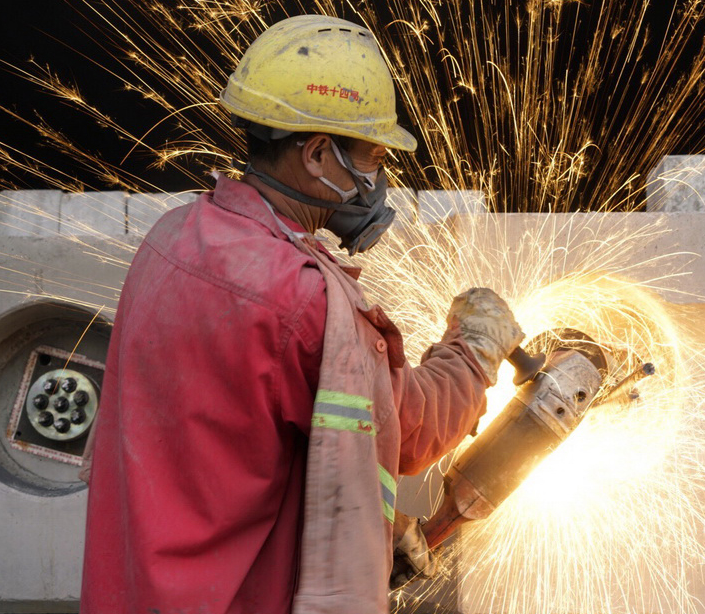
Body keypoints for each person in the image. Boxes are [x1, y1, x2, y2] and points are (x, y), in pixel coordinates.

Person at [79, 14, 524, 614]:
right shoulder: (306, 303)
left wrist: (375, 528)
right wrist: (471, 353)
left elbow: (233, 444)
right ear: (317, 154)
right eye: (370, 155)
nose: (379, 179)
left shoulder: (171, 240)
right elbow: (409, 430)